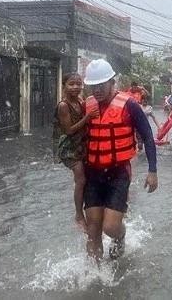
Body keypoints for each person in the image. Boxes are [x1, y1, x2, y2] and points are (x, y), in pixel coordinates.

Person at [82, 59, 158, 260]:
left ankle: (121, 236)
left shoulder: (130, 104)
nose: (97, 90)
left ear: (112, 82)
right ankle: (94, 276)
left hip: (118, 173)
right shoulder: (87, 105)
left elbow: (148, 136)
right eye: (93, 86)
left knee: (110, 227)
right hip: (93, 173)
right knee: (93, 229)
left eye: (101, 85)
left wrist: (152, 171)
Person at [54, 73, 99, 232]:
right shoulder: (63, 106)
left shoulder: (81, 101)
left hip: (82, 144)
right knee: (80, 178)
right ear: (64, 85)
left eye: (78, 84)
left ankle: (92, 207)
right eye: (71, 84)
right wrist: (87, 117)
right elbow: (69, 130)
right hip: (69, 147)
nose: (75, 87)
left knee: (87, 177)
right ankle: (79, 214)